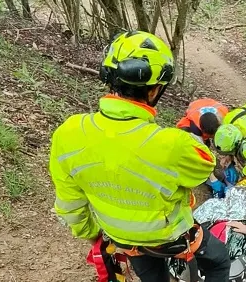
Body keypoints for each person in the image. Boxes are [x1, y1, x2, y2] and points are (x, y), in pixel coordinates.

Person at [48, 31, 231, 282]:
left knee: (150, 274)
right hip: (170, 237)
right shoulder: (173, 144)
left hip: (121, 237)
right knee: (219, 261)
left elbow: (69, 204)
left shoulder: (68, 133)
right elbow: (202, 168)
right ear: (155, 90)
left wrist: (92, 234)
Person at [176, 98, 233, 198]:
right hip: (194, 112)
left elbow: (232, 140)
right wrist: (213, 179)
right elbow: (201, 155)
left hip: (209, 104)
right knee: (192, 151)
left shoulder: (226, 120)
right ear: (203, 132)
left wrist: (229, 157)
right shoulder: (192, 130)